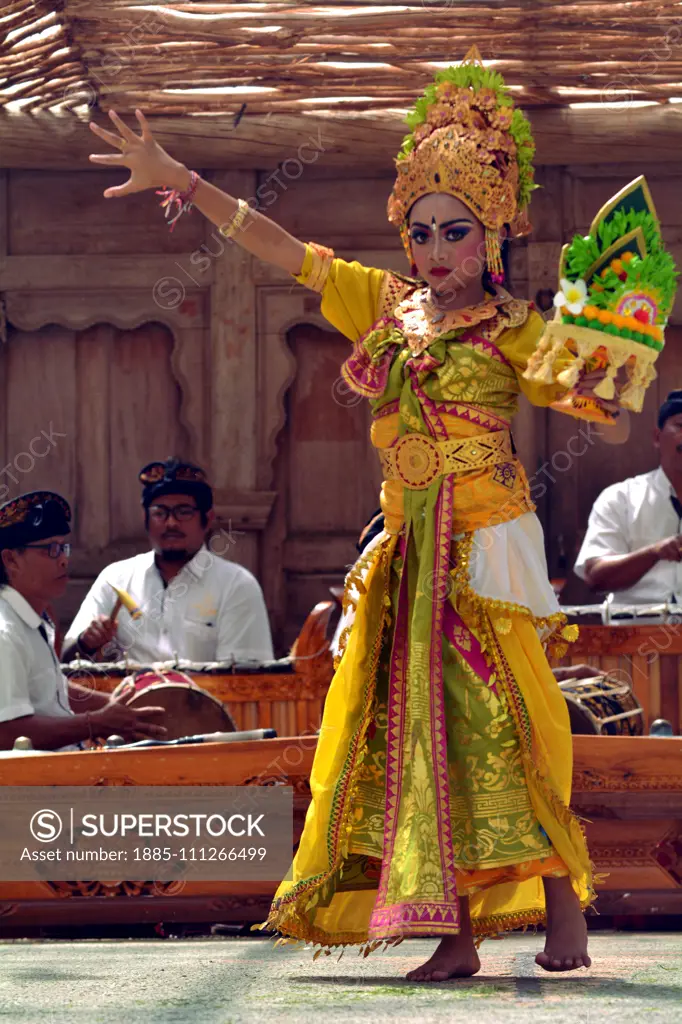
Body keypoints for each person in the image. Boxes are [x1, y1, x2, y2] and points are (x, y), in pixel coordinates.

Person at [87, 49, 614, 980]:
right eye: (421, 233)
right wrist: (188, 183)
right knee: (420, 745)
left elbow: (595, 400)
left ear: (492, 236)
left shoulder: (518, 327)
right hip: (408, 560)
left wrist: (609, 348)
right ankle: (458, 936)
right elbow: (285, 251)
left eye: (457, 232)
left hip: (482, 561)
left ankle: (564, 911)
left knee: (510, 727)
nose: (437, 251)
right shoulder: (387, 307)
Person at [62, 458, 273, 665]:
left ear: (207, 519)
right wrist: (87, 643)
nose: (171, 523)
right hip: (124, 700)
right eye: (160, 513)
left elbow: (247, 681)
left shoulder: (236, 586)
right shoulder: (116, 579)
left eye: (184, 512)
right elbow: (67, 665)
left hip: (206, 700)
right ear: (145, 518)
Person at [0, 491, 167, 751]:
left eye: (63, 547)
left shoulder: (34, 620)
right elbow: (7, 732)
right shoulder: (5, 632)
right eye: (50, 550)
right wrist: (94, 724)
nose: (64, 559)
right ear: (10, 559)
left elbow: (51, 691)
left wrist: (118, 703)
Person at [574, 391, 682, 605]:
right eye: (681, 426)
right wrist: (654, 552)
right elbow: (595, 576)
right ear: (657, 437)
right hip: (633, 630)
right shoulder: (620, 498)